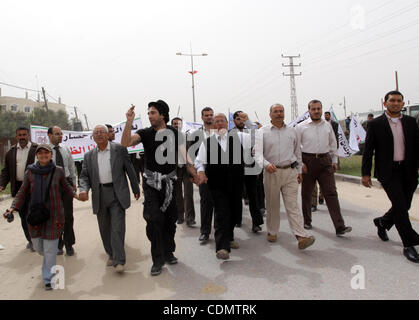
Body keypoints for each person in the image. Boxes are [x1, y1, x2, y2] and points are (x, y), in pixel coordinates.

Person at [121, 101, 198, 276]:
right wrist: (128, 122)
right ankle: (157, 259)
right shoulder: (145, 133)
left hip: (169, 184)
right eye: (148, 113)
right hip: (150, 184)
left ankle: (169, 251)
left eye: (153, 113)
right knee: (154, 219)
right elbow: (126, 143)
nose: (149, 116)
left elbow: (186, 157)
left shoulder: (175, 133)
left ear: (162, 115)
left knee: (170, 221)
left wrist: (194, 173)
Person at [5, 144, 80, 290]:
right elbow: (22, 191)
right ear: (37, 156)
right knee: (39, 247)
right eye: (41, 153)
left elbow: (66, 187)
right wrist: (13, 207)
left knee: (50, 249)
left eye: (46, 153)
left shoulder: (58, 171)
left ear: (51, 155)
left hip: (54, 215)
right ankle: (48, 265)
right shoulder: (30, 172)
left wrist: (78, 196)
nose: (43, 155)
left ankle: (48, 279)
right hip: (36, 216)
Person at [362, 91, 419, 263]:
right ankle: (409, 243)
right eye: (392, 100)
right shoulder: (375, 124)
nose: (395, 103)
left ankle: (383, 222)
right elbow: (368, 151)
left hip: (408, 170)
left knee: (404, 204)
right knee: (401, 207)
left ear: (403, 104)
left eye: (399, 101)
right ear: (384, 103)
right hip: (388, 172)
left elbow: (417, 145)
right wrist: (365, 174)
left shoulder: (410, 122)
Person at [78, 125, 140, 273]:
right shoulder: (88, 156)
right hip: (99, 194)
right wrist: (83, 189)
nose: (99, 135)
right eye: (96, 133)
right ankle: (111, 254)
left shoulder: (119, 150)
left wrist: (135, 188)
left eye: (102, 132)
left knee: (117, 227)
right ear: (93, 137)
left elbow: (130, 169)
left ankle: (119, 260)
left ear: (107, 135)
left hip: (117, 192)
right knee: (104, 228)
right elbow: (84, 176)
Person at [255, 104, 315, 249]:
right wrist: (266, 164)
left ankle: (300, 235)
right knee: (272, 204)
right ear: (270, 114)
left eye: (281, 111)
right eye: (275, 111)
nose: (279, 114)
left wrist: (299, 170)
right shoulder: (262, 132)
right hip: (272, 172)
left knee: (293, 205)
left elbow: (297, 153)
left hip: (290, 172)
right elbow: (257, 153)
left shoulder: (293, 131)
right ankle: (272, 231)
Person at [195, 113, 251, 260]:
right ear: (213, 125)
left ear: (228, 124)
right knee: (221, 213)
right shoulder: (207, 142)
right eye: (216, 121)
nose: (219, 123)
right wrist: (201, 172)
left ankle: (230, 237)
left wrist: (248, 121)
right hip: (217, 184)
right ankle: (222, 247)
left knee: (235, 212)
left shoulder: (239, 137)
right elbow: (200, 161)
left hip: (236, 183)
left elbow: (257, 137)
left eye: (222, 121)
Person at [296, 100, 352, 236]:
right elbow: (296, 147)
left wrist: (334, 160)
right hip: (307, 161)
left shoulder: (327, 126)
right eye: (313, 109)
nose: (316, 111)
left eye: (318, 109)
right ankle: (307, 221)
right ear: (309, 110)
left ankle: (340, 226)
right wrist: (300, 164)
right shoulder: (300, 127)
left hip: (325, 161)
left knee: (331, 193)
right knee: (307, 193)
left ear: (321, 110)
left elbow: (333, 144)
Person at [0, 127, 38, 251]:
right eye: (19, 135)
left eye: (24, 135)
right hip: (18, 188)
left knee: (33, 214)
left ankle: (38, 238)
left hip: (34, 189)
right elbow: (6, 171)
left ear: (28, 136)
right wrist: (2, 184)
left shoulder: (36, 149)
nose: (22, 137)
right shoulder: (11, 152)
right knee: (23, 216)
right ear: (16, 137)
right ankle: (30, 240)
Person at [231, 111, 264, 232]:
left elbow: (257, 147)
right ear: (234, 121)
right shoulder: (230, 133)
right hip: (235, 170)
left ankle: (256, 223)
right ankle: (237, 220)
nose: (241, 121)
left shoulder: (250, 132)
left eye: (242, 119)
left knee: (253, 196)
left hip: (250, 168)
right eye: (238, 119)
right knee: (236, 196)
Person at [48, 126, 77, 256]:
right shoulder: (44, 150)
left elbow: (71, 166)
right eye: (57, 134)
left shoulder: (65, 148)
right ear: (49, 135)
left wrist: (74, 183)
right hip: (50, 186)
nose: (60, 136)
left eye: (61, 134)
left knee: (68, 215)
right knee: (54, 216)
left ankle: (69, 244)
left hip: (66, 184)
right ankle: (58, 244)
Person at [189, 107, 216, 243]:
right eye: (206, 115)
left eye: (211, 115)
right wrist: (195, 174)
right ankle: (205, 231)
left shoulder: (221, 132)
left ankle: (220, 230)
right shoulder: (196, 135)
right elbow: (192, 156)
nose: (209, 117)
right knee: (206, 202)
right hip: (203, 172)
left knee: (220, 202)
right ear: (202, 117)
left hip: (220, 172)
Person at [171, 117, 196, 227]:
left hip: (187, 169)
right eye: (174, 124)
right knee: (177, 194)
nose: (176, 125)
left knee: (188, 193)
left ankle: (190, 218)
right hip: (175, 169)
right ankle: (180, 216)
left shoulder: (188, 137)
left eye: (178, 123)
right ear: (171, 125)